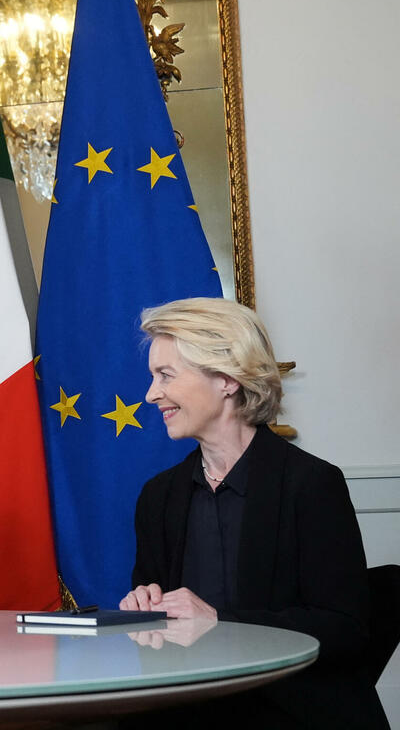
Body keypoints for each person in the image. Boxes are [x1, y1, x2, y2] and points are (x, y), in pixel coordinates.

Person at [119, 297, 385, 728]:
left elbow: (345, 630)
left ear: (226, 379)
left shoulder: (311, 484)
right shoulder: (158, 496)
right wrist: (145, 609)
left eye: (166, 375)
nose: (151, 394)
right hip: (189, 709)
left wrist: (217, 621)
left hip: (292, 712)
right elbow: (160, 636)